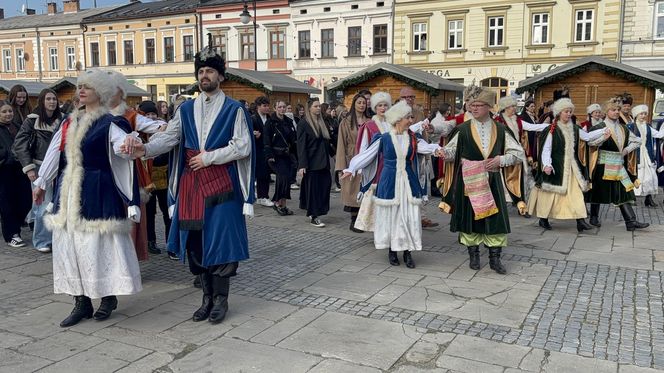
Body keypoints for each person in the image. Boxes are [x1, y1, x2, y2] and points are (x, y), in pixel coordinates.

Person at [123, 38, 255, 324]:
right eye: (200, 71)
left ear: (220, 75)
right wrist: (144, 149)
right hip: (192, 186)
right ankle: (206, 298)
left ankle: (221, 300)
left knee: (221, 242)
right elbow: (169, 138)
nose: (204, 76)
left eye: (209, 71)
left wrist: (209, 157)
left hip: (223, 185)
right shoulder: (186, 110)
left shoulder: (234, 110)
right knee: (195, 242)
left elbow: (242, 146)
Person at [33, 69, 142, 327]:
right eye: (80, 86)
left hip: (96, 189)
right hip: (68, 190)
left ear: (100, 93)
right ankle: (80, 302)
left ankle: (107, 297)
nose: (81, 91)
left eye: (88, 87)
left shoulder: (108, 122)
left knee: (96, 245)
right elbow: (54, 154)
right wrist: (40, 182)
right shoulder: (69, 122)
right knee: (69, 246)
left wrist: (129, 146)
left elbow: (120, 147)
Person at [342, 101, 442, 268]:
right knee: (392, 216)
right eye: (407, 118)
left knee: (409, 216)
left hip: (409, 182)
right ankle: (393, 250)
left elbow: (425, 147)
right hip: (389, 181)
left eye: (410, 117)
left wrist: (437, 150)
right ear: (397, 120)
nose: (410, 120)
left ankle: (408, 252)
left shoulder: (412, 137)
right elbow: (367, 154)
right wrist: (352, 168)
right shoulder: (384, 138)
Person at [439, 87, 525, 274]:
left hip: (492, 181)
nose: (474, 108)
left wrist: (501, 160)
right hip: (469, 180)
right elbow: (453, 151)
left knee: (495, 218)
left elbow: (518, 154)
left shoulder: (501, 129)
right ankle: (474, 255)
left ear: (489, 107)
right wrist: (444, 153)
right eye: (472, 105)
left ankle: (495, 258)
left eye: (479, 105)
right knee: (471, 217)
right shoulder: (462, 129)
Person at [527, 98, 609, 231]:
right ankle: (543, 218)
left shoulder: (575, 128)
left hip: (571, 168)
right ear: (559, 113)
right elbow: (546, 149)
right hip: (556, 167)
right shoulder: (551, 129)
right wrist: (547, 164)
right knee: (549, 195)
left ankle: (580, 221)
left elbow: (587, 137)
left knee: (576, 194)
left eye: (570, 111)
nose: (569, 114)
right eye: (566, 111)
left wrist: (603, 131)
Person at [109, 72, 166, 260]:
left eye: (113, 89)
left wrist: (164, 128)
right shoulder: (95, 114)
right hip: (104, 175)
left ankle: (127, 259)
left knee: (128, 217)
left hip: (127, 174)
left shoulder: (130, 115)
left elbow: (155, 126)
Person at [12, 89, 64, 253]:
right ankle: (42, 240)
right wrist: (29, 168)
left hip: (59, 167)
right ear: (42, 101)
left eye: (54, 99)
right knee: (43, 204)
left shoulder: (62, 119)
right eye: (48, 99)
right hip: (39, 167)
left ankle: (52, 235)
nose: (52, 102)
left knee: (54, 204)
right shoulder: (32, 120)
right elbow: (19, 145)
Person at [586, 97, 649, 231]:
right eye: (613, 110)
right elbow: (590, 143)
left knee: (623, 191)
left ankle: (631, 221)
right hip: (602, 164)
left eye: (618, 110)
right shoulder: (599, 127)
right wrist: (603, 138)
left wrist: (626, 150)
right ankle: (594, 217)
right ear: (606, 112)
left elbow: (637, 141)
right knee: (598, 192)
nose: (616, 112)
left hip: (619, 165)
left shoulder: (623, 128)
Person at [138, 101, 175, 259]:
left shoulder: (165, 129)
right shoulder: (139, 135)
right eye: (148, 115)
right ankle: (150, 241)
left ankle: (171, 243)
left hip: (165, 175)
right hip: (148, 178)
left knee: (168, 211)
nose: (151, 117)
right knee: (150, 212)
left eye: (153, 114)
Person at [0, 100, 32, 248]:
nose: (8, 114)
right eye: (4, 112)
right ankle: (12, 234)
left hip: (20, 168)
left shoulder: (18, 127)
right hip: (4, 170)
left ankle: (17, 224)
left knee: (25, 200)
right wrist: (6, 156)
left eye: (10, 111)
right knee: (8, 203)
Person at [297, 98, 332, 227]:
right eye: (316, 106)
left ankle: (319, 211)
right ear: (310, 108)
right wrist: (302, 165)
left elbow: (328, 142)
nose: (318, 108)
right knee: (313, 190)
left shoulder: (323, 122)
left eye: (319, 106)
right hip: (311, 163)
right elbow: (301, 146)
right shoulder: (304, 123)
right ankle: (314, 215)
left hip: (324, 162)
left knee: (325, 186)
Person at [336, 93, 368, 232]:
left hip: (367, 158)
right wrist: (341, 166)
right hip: (352, 157)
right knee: (352, 190)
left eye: (363, 103)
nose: (361, 105)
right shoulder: (346, 122)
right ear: (354, 104)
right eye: (359, 102)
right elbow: (341, 144)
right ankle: (354, 220)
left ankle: (363, 219)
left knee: (364, 189)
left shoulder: (370, 121)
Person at [264, 100, 297, 216]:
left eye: (284, 107)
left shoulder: (288, 121)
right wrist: (269, 155)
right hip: (276, 155)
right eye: (280, 107)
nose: (282, 109)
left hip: (287, 155)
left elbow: (293, 139)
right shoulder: (270, 123)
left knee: (287, 179)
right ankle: (277, 203)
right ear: (275, 108)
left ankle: (283, 204)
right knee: (282, 178)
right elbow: (266, 141)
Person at [627, 104, 664, 207]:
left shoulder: (648, 127)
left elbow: (659, 135)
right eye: (641, 114)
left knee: (650, 176)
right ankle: (631, 197)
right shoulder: (630, 126)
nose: (643, 116)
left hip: (647, 155)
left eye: (645, 114)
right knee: (635, 176)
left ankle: (648, 198)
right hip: (635, 155)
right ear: (636, 115)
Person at [252, 96, 274, 208]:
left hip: (267, 150)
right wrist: (254, 134)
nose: (267, 108)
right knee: (260, 174)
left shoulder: (269, 118)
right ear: (258, 107)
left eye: (268, 105)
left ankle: (263, 196)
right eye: (264, 106)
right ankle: (261, 196)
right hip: (257, 150)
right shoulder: (253, 118)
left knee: (266, 174)